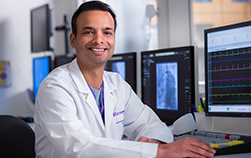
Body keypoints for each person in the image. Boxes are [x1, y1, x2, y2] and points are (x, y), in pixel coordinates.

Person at [34, 1, 216, 157]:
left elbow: (152, 125)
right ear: (73, 40)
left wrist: (154, 142)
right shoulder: (55, 87)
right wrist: (157, 152)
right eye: (89, 32)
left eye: (107, 32)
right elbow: (79, 148)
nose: (99, 40)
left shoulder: (116, 84)